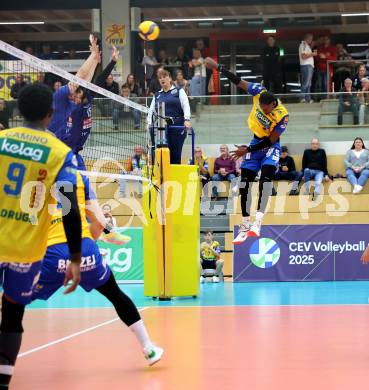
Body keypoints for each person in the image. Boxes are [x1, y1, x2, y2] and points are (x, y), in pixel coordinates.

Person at [32, 170, 164, 366]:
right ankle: (148, 348)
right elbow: (99, 223)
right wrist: (88, 247)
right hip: (85, 251)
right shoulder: (79, 177)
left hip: (53, 254)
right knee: (115, 294)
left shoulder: (34, 177)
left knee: (13, 301)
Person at [0, 84, 82, 388]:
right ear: (51, 114)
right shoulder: (61, 154)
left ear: (18, 112)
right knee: (12, 315)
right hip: (26, 250)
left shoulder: (0, 140)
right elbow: (69, 208)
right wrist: (75, 256)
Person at [205, 57, 289, 242]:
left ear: (272, 106)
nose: (262, 110)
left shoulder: (282, 116)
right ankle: (245, 224)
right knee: (244, 184)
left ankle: (258, 221)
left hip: (269, 146)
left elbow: (270, 140)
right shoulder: (259, 93)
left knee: (265, 178)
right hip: (254, 142)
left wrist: (248, 149)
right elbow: (238, 81)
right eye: (260, 107)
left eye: (264, 109)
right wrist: (218, 68)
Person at [48, 35, 100, 140]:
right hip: (48, 140)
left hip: (60, 142)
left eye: (80, 98)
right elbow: (81, 74)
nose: (78, 101)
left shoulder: (72, 104)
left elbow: (86, 81)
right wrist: (93, 54)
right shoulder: (60, 94)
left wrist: (95, 61)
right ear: (73, 93)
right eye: (77, 97)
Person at [147, 69, 191, 164]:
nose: (162, 79)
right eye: (160, 78)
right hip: (162, 128)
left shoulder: (179, 91)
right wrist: (149, 123)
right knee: (164, 153)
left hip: (177, 127)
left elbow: (186, 105)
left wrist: (187, 119)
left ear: (170, 78)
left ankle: (174, 177)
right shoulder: (157, 95)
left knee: (176, 153)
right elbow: (151, 111)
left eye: (164, 77)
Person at [299, 33, 317, 103]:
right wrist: (313, 54)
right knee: (306, 83)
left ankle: (307, 98)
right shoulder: (303, 45)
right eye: (311, 39)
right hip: (306, 66)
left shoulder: (307, 46)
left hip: (308, 66)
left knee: (309, 84)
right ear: (308, 38)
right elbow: (303, 56)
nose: (311, 40)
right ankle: (302, 97)